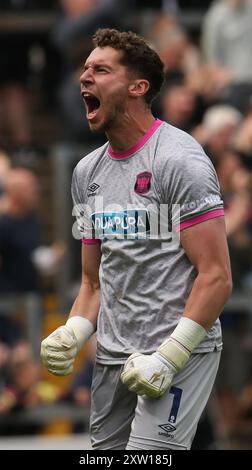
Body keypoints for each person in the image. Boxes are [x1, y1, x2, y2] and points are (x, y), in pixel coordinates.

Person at [41, 28, 232, 450]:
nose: (84, 77)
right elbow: (93, 283)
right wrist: (72, 331)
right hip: (112, 358)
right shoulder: (86, 173)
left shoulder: (180, 161)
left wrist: (169, 357)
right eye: (85, 68)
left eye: (100, 69)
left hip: (179, 350)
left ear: (137, 87)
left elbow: (216, 276)